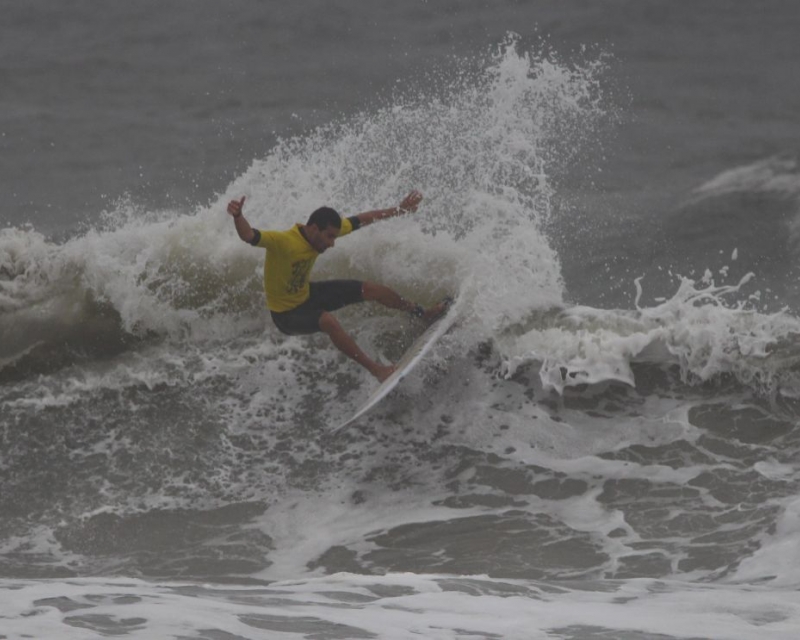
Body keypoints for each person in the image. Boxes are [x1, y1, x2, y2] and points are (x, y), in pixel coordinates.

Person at [226, 190, 448, 382]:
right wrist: (238, 215)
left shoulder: (324, 231)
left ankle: (422, 313)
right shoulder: (283, 241)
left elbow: (364, 218)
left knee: (373, 290)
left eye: (335, 236)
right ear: (313, 228)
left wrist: (399, 209)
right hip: (286, 315)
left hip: (307, 294)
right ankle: (378, 371)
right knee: (328, 321)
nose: (332, 243)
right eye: (329, 237)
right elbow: (248, 235)